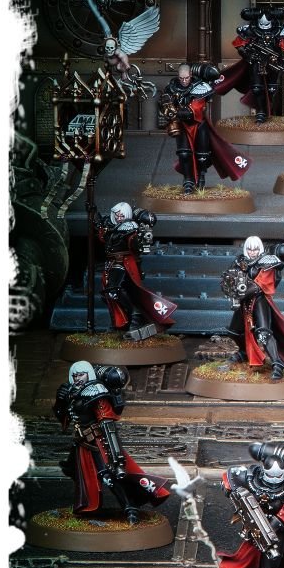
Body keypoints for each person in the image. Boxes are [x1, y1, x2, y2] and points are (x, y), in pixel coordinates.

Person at [53, 361, 171, 523]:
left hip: (98, 441)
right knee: (75, 471)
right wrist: (60, 401)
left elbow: (107, 423)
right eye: (75, 376)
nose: (77, 378)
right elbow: (64, 417)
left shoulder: (96, 392)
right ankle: (88, 504)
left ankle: (130, 508)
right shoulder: (71, 392)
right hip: (81, 443)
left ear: (89, 375)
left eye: (81, 375)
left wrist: (115, 454)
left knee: (110, 476)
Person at [223, 236, 284, 379]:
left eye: (255, 249)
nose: (252, 252)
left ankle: (277, 363)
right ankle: (244, 351)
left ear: (260, 249)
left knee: (264, 333)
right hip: (244, 302)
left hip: (259, 301)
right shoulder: (240, 261)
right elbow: (229, 279)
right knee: (234, 332)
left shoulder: (266, 262)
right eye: (249, 249)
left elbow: (261, 285)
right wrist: (230, 287)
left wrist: (241, 292)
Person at [159, 63, 251, 192]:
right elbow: (163, 103)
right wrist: (166, 104)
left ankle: (201, 178)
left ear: (191, 75)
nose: (184, 81)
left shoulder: (201, 87)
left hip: (198, 124)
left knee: (202, 155)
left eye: (186, 78)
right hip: (182, 125)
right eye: (181, 78)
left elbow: (197, 107)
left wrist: (179, 112)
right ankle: (188, 181)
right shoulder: (172, 87)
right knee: (184, 154)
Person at [94, 201, 177, 340]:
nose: (119, 218)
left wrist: (140, 239)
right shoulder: (111, 226)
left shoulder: (130, 228)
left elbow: (134, 242)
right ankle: (121, 323)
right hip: (112, 264)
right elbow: (103, 236)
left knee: (114, 291)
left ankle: (135, 315)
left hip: (123, 264)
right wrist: (94, 215)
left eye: (122, 215)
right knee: (109, 294)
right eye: (117, 215)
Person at [217, 6, 284, 123]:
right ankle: (260, 111)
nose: (264, 27)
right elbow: (239, 45)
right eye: (262, 24)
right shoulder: (251, 30)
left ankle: (268, 110)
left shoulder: (279, 30)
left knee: (272, 88)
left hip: (273, 61)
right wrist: (247, 55)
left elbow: (283, 47)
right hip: (256, 61)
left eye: (267, 25)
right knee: (257, 88)